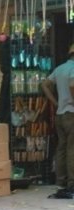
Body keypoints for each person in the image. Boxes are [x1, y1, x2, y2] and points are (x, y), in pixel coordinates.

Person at [41, 44, 74, 198]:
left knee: (61, 148)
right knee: (71, 149)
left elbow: (45, 84)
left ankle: (61, 181)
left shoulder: (60, 69)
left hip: (60, 114)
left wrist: (56, 103)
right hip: (71, 114)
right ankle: (72, 184)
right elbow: (73, 85)